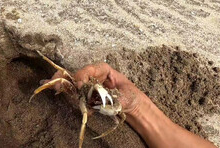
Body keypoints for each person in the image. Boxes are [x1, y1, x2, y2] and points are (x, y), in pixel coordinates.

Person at [43, 63, 216, 148]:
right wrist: (137, 107)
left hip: (94, 99)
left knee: (84, 120)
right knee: (61, 78)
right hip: (91, 94)